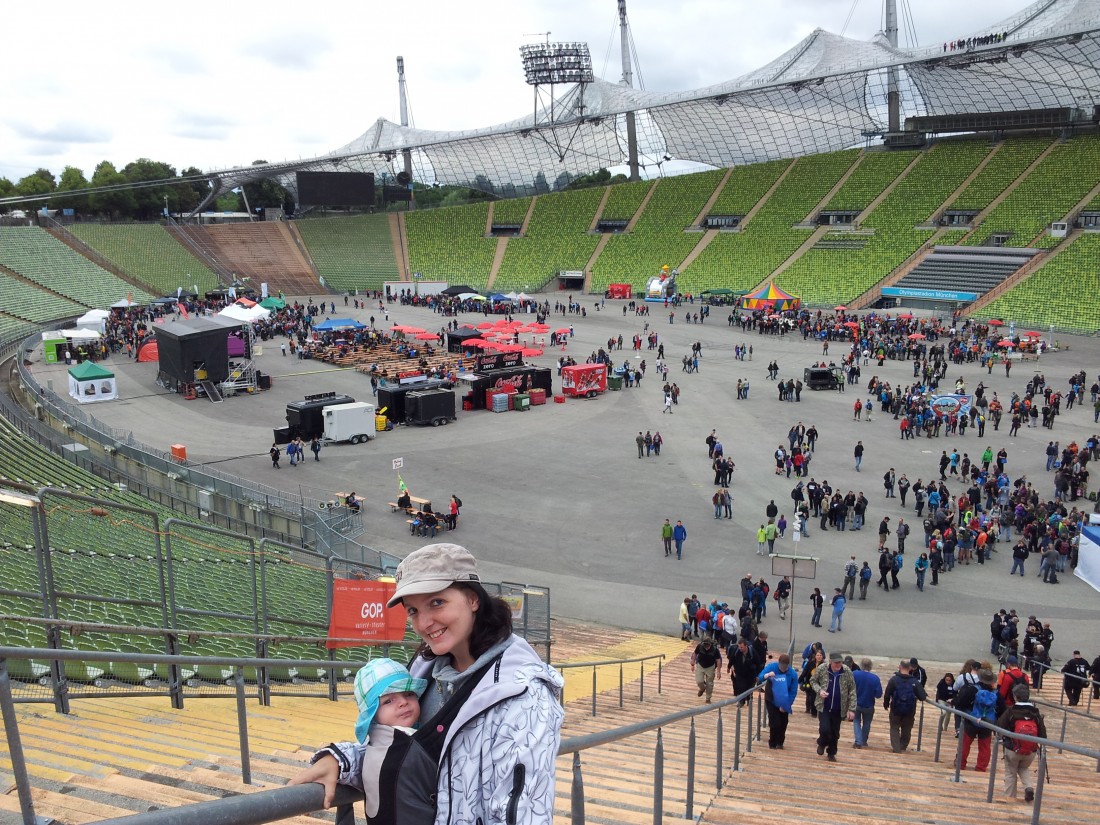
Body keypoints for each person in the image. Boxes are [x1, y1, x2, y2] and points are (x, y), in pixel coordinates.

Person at [289, 543, 564, 823]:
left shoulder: (524, 696)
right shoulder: (424, 670)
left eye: (436, 603)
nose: (424, 623)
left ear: (473, 599)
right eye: (413, 610)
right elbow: (408, 757)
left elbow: (524, 815)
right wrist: (342, 760)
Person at [321, 658, 428, 825]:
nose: (403, 702)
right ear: (372, 715)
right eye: (388, 701)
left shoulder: (418, 735)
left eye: (409, 694)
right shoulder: (392, 749)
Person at [996, 682, 1046, 803]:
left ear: (1015, 697)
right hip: (1031, 749)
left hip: (1013, 749)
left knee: (1010, 772)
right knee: (1023, 768)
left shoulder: (1011, 711)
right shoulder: (1035, 712)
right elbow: (1043, 734)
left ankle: (1009, 798)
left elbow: (999, 727)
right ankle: (1028, 787)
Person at [810, 651, 857, 761]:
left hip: (839, 708)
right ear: (830, 661)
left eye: (840, 662)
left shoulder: (847, 671)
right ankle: (822, 743)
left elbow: (852, 690)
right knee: (824, 729)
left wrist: (852, 709)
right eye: (836, 662)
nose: (838, 665)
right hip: (824, 706)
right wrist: (819, 690)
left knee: (835, 733)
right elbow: (813, 681)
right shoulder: (822, 668)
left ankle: (831, 753)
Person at [956, 668, 1002, 772]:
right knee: (985, 746)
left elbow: (961, 703)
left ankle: (961, 764)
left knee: (965, 744)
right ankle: (981, 767)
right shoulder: (996, 694)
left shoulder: (973, 689)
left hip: (971, 720)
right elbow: (1002, 709)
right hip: (987, 722)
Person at [883, 660, 928, 753]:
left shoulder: (894, 680)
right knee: (906, 729)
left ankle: (896, 748)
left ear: (900, 667)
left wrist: (886, 704)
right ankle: (903, 746)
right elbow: (922, 696)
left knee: (894, 728)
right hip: (910, 710)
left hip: (895, 709)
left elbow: (887, 694)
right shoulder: (914, 681)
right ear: (910, 668)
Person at [759, 653, 799, 749]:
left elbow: (793, 691)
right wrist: (767, 675)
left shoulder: (793, 674)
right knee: (774, 721)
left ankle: (780, 742)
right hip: (771, 698)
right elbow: (760, 677)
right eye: (781, 666)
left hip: (784, 699)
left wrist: (787, 704)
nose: (782, 668)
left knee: (783, 722)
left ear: (788, 665)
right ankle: (772, 743)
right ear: (778, 663)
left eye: (785, 667)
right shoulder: (772, 667)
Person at [852, 658, 883, 748]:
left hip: (856, 703)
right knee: (867, 723)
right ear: (870, 666)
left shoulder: (855, 674)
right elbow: (878, 694)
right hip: (869, 705)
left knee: (856, 721)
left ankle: (858, 741)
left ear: (861, 665)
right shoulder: (875, 678)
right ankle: (863, 740)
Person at [691, 636, 722, 703]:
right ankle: (702, 688)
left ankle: (708, 698)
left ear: (710, 644)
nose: (706, 647)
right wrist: (692, 662)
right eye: (705, 646)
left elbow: (718, 660)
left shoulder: (715, 649)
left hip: (710, 667)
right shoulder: (700, 646)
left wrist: (718, 671)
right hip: (700, 665)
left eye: (708, 646)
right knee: (699, 681)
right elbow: (695, 653)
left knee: (709, 684)